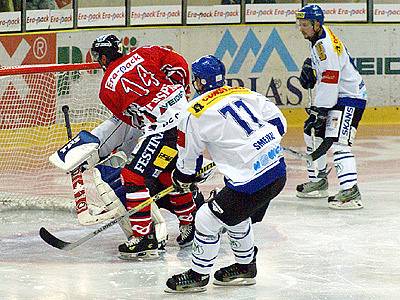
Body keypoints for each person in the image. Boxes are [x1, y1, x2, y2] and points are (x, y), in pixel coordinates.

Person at [50, 34, 199, 259]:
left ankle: (144, 237)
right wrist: (179, 91)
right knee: (169, 176)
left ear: (102, 58)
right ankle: (190, 225)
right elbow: (178, 63)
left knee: (132, 176)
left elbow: (130, 120)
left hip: (164, 128)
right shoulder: (144, 52)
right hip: (187, 123)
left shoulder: (107, 87)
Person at [164, 55, 287, 293]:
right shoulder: (243, 92)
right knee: (235, 213)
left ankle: (198, 275)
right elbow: (279, 122)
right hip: (277, 171)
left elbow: (189, 159)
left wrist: (182, 179)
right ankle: (245, 267)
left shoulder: (192, 113)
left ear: (198, 82)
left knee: (206, 218)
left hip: (250, 183)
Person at [295, 4, 366, 210]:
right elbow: (327, 68)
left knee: (340, 143)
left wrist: (320, 110)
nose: (301, 28)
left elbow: (331, 78)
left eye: (305, 24)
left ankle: (351, 192)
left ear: (317, 24)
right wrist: (310, 65)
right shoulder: (316, 39)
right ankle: (319, 180)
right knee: (312, 133)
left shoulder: (324, 45)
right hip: (337, 97)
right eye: (300, 24)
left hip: (350, 98)